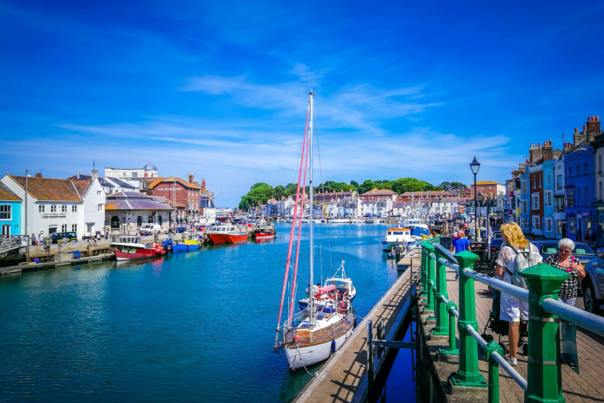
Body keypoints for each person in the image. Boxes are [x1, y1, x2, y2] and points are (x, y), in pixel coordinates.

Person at [495, 222, 542, 366]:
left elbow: (498, 273)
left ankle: (513, 357)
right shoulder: (533, 248)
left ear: (509, 235)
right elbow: (540, 268)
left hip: (511, 290)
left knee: (513, 323)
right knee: (531, 321)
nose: (501, 235)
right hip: (528, 289)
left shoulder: (506, 251)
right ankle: (535, 355)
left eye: (503, 233)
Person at [545, 238, 586, 306]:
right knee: (557, 313)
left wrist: (577, 269)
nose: (563, 252)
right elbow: (543, 271)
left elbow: (581, 277)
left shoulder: (575, 260)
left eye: (566, 251)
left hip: (570, 295)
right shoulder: (551, 258)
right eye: (561, 250)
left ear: (570, 251)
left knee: (567, 315)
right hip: (555, 294)